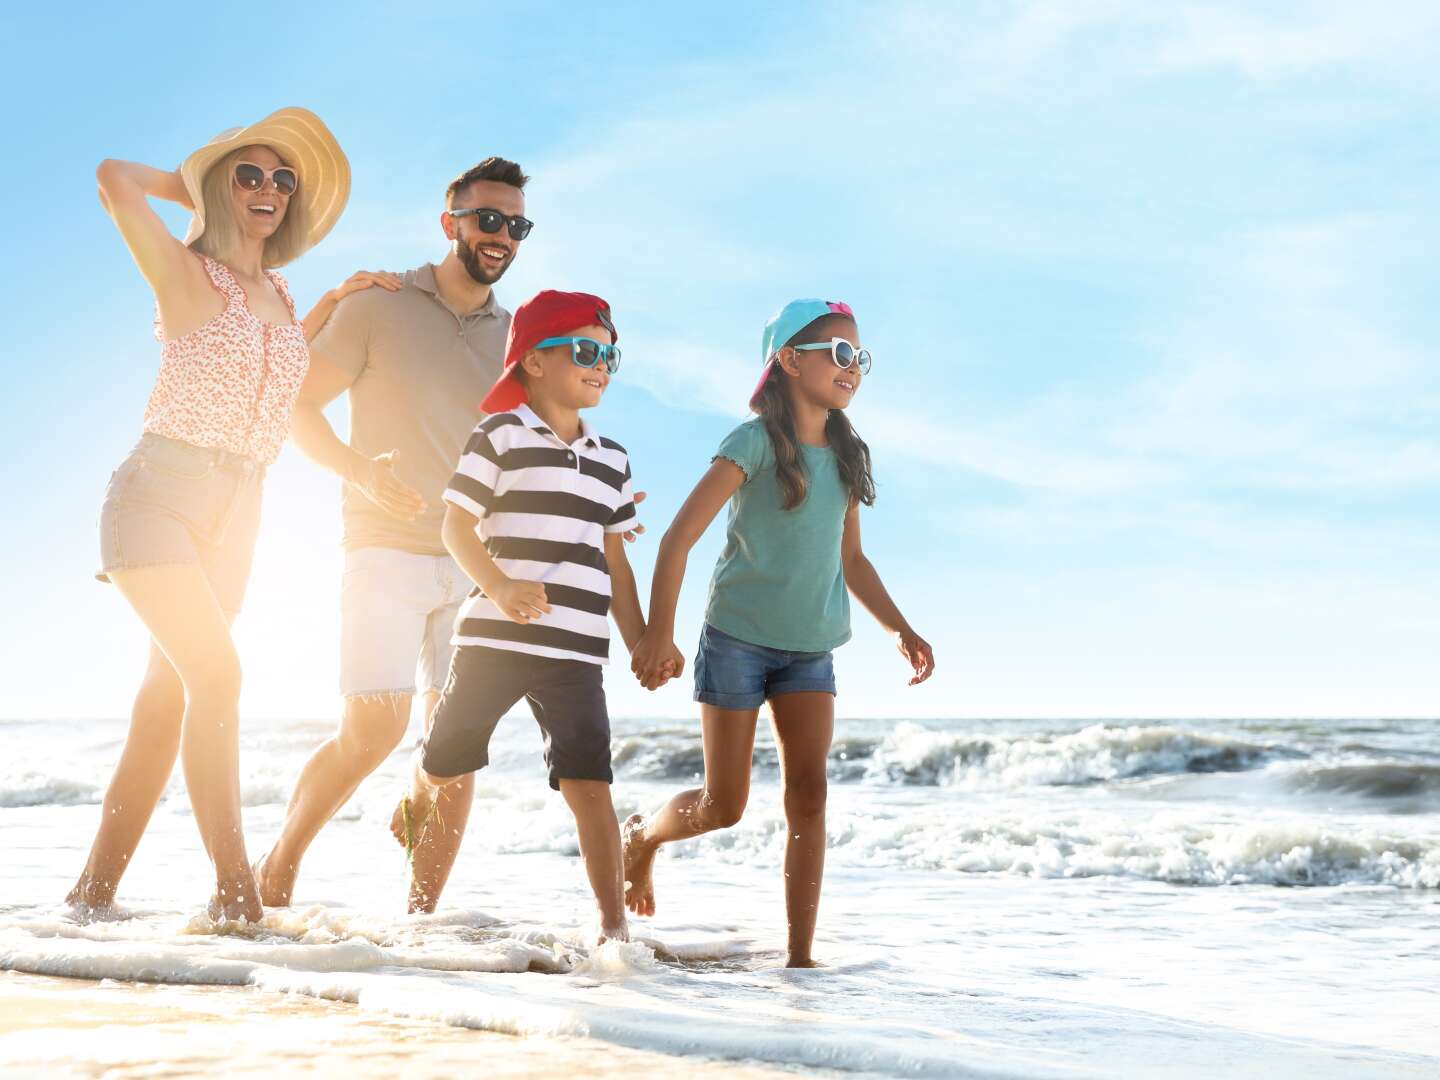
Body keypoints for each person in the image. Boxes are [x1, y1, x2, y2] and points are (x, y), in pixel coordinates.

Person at [70, 108, 351, 922]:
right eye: (249, 174)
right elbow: (114, 177)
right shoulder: (186, 276)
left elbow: (275, 368)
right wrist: (195, 187)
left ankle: (92, 894)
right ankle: (237, 895)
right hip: (159, 495)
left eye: (282, 179)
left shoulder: (282, 292)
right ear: (222, 189)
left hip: (242, 515)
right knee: (220, 676)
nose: (268, 189)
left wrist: (334, 298)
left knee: (167, 699)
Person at [254, 159, 532, 913]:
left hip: (477, 565)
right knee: (375, 727)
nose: (501, 236)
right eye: (487, 220)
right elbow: (300, 407)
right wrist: (359, 472)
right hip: (382, 544)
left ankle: (420, 930)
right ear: (451, 224)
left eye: (515, 224)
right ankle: (275, 869)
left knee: (455, 751)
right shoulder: (380, 304)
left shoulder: (518, 338)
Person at [624, 299, 935, 966]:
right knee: (724, 805)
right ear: (791, 360)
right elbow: (679, 538)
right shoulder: (754, 443)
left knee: (810, 795)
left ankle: (800, 958)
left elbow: (852, 561)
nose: (854, 368)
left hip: (810, 650)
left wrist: (900, 629)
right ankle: (644, 838)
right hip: (735, 640)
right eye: (840, 353)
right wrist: (658, 633)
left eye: (861, 358)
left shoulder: (850, 456)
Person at [398, 290, 660, 943]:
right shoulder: (500, 435)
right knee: (446, 766)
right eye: (586, 350)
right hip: (493, 638)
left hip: (577, 650)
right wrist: (501, 585)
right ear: (533, 361)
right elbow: (456, 526)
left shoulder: (613, 460)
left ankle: (612, 931)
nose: (602, 364)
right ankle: (418, 913)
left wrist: (642, 641)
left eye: (610, 354)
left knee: (590, 784)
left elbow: (617, 564)